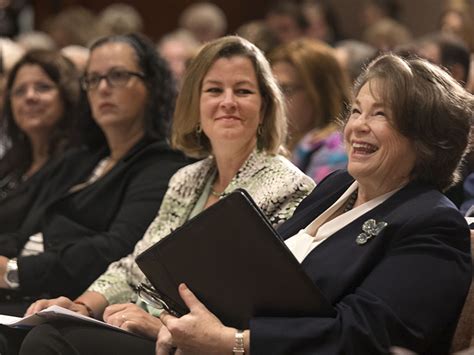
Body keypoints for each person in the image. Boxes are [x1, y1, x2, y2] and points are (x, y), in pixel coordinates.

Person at [152, 54, 471, 354]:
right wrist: (185, 324)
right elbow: (253, 280)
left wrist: (233, 342)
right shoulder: (337, 186)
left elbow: (366, 336)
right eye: (357, 110)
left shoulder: (433, 223)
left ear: (427, 139)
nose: (357, 125)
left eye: (380, 114)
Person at [18, 35, 315, 355]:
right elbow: (137, 265)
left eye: (243, 91)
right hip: (145, 324)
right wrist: (82, 306)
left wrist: (160, 323)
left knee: (49, 341)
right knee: (36, 330)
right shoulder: (187, 178)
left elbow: (258, 305)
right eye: (214, 90)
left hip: (204, 344)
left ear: (265, 107)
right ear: (195, 105)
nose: (228, 102)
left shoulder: (289, 186)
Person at [0, 33, 187, 318]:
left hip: (68, 301)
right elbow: (25, 227)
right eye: (93, 79)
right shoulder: (82, 158)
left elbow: (116, 248)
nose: (103, 88)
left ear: (151, 85)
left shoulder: (162, 164)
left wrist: (15, 271)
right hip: (23, 290)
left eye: (118, 76)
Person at [0, 49, 81, 234]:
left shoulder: (77, 164)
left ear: (67, 95)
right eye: (19, 91)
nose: (30, 97)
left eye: (43, 87)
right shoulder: (13, 159)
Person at [269, 38, 351, 183]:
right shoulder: (280, 142)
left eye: (285, 89)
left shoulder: (336, 151)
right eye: (271, 89)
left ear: (320, 93)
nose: (274, 100)